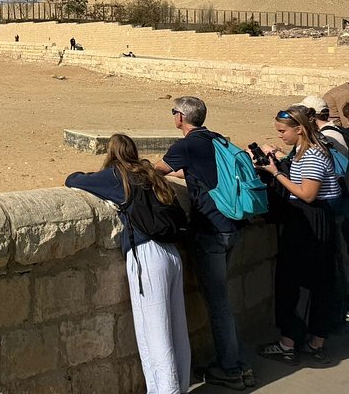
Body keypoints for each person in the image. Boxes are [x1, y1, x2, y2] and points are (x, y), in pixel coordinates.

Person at [67, 134, 190, 393]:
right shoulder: (151, 174)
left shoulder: (117, 176)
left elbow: (74, 180)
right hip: (172, 254)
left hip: (148, 255)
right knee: (177, 329)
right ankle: (178, 385)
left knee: (155, 333)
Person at [155, 96, 253, 390]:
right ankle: (237, 363)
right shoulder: (216, 139)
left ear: (180, 117)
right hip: (232, 225)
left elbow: (157, 171)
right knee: (222, 299)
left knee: (218, 303)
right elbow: (200, 171)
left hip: (211, 230)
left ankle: (231, 368)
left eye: (173, 112)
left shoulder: (186, 145)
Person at [254, 106, 341, 366]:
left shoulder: (312, 155)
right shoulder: (310, 150)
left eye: (283, 131)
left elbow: (307, 194)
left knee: (296, 282)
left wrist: (276, 173)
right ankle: (314, 342)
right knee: (318, 281)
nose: (280, 135)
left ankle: (288, 345)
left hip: (307, 222)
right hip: (315, 220)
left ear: (300, 129)